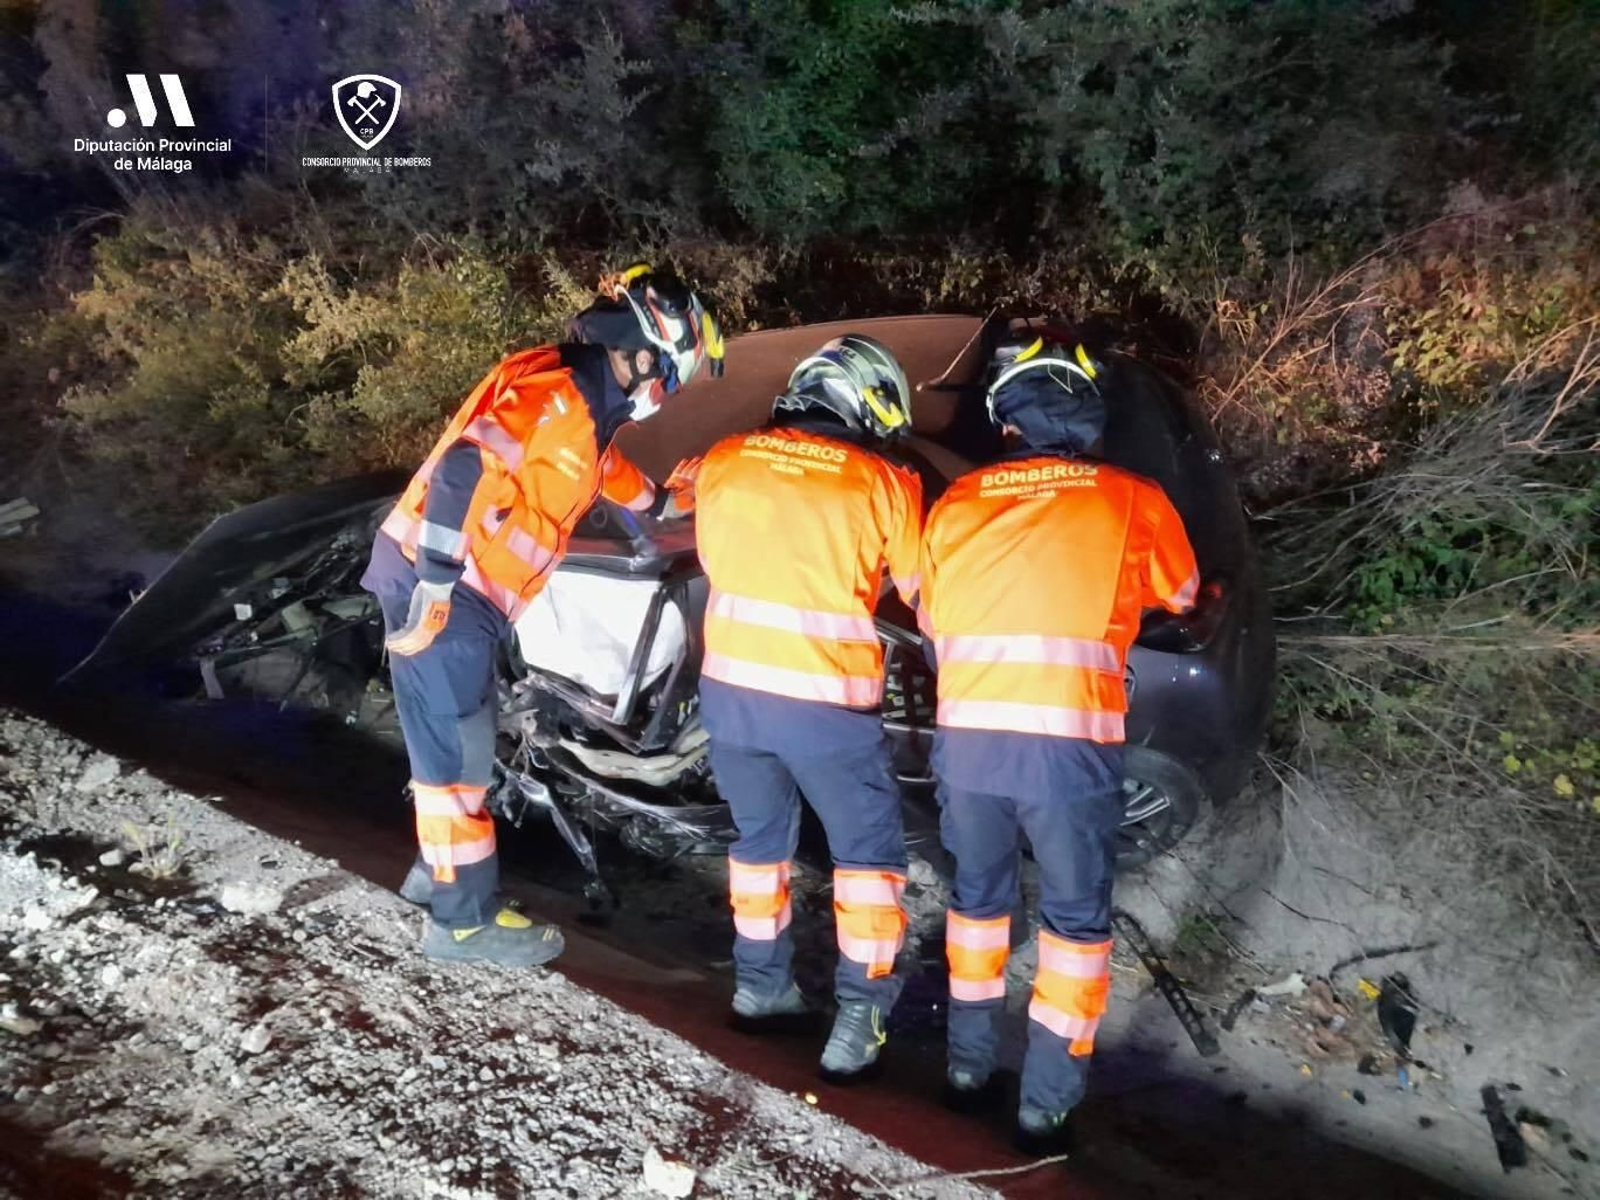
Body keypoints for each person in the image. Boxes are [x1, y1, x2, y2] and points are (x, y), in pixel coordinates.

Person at [362, 264, 724, 967]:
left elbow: (616, 482)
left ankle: (433, 879)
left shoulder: (578, 403)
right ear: (645, 354)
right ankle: (462, 923)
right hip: (444, 588)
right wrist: (437, 585)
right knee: (457, 759)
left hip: (456, 590)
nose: (664, 392)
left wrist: (675, 495)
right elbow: (464, 466)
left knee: (455, 746)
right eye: (670, 376)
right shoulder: (559, 397)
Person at [918, 333, 1199, 1148]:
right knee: (1074, 927)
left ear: (1006, 419)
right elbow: (1179, 592)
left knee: (977, 907)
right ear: (1087, 416)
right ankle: (1044, 1108)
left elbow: (936, 619)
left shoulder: (959, 502)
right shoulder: (1129, 497)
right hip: (1067, 752)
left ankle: (967, 1073)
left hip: (967, 746)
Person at [665, 335, 923, 1079]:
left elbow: (678, 512)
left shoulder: (726, 457)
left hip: (733, 695)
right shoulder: (884, 480)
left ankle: (760, 987)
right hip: (827, 703)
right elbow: (920, 586)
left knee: (757, 847)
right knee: (868, 861)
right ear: (868, 404)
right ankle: (858, 1020)